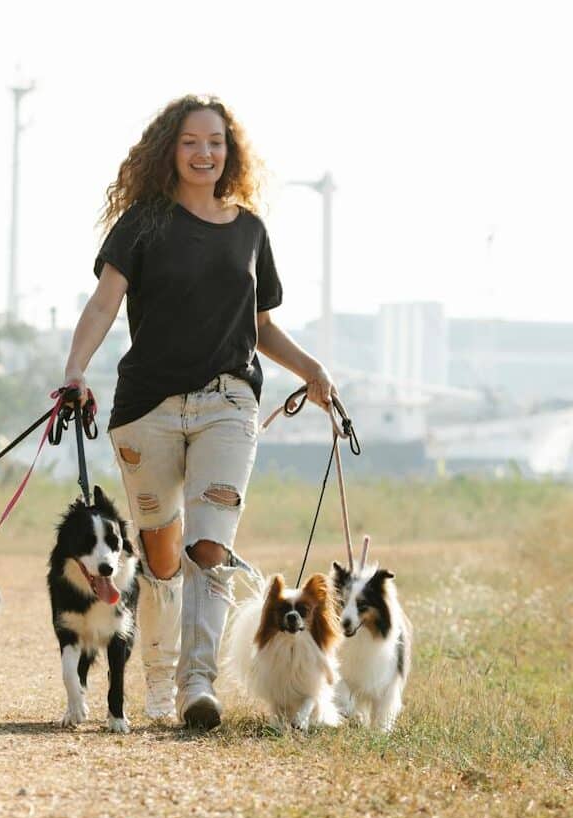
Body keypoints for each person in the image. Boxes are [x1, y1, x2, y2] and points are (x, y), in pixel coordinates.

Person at [61, 94, 338, 730]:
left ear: (229, 151)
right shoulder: (143, 223)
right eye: (191, 142)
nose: (204, 153)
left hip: (229, 403)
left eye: (215, 142)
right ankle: (157, 680)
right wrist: (75, 370)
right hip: (147, 409)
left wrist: (313, 371)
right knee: (159, 560)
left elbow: (260, 326)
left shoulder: (250, 231)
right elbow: (104, 304)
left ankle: (197, 685)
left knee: (209, 548)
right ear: (171, 149)